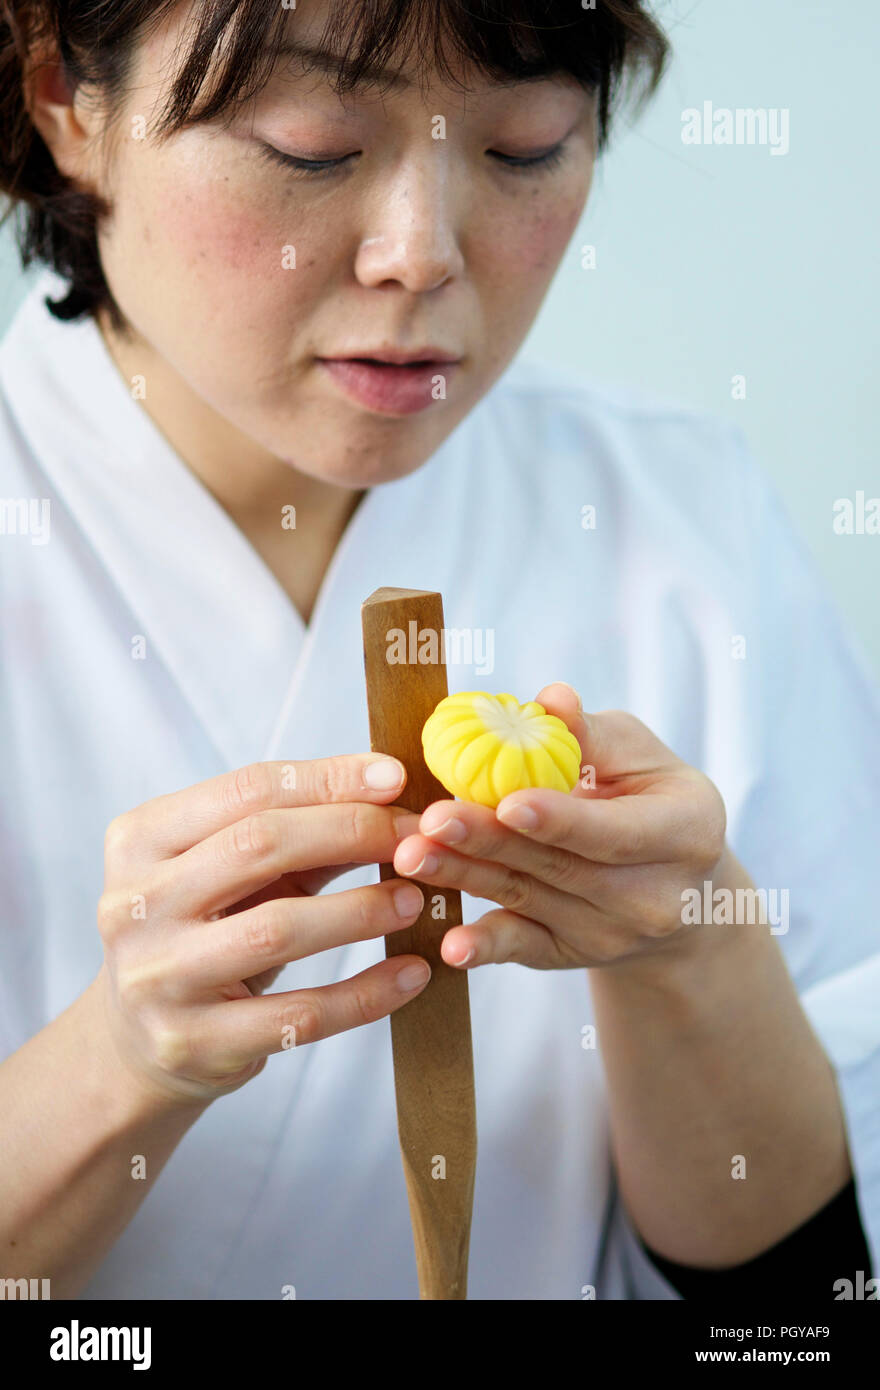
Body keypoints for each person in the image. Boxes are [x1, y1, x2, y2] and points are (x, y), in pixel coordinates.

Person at [0, 0, 877, 1302]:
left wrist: (688, 952)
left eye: (525, 149)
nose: (422, 255)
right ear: (67, 95)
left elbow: (799, 1315)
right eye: (310, 145)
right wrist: (120, 1061)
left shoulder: (687, 524)